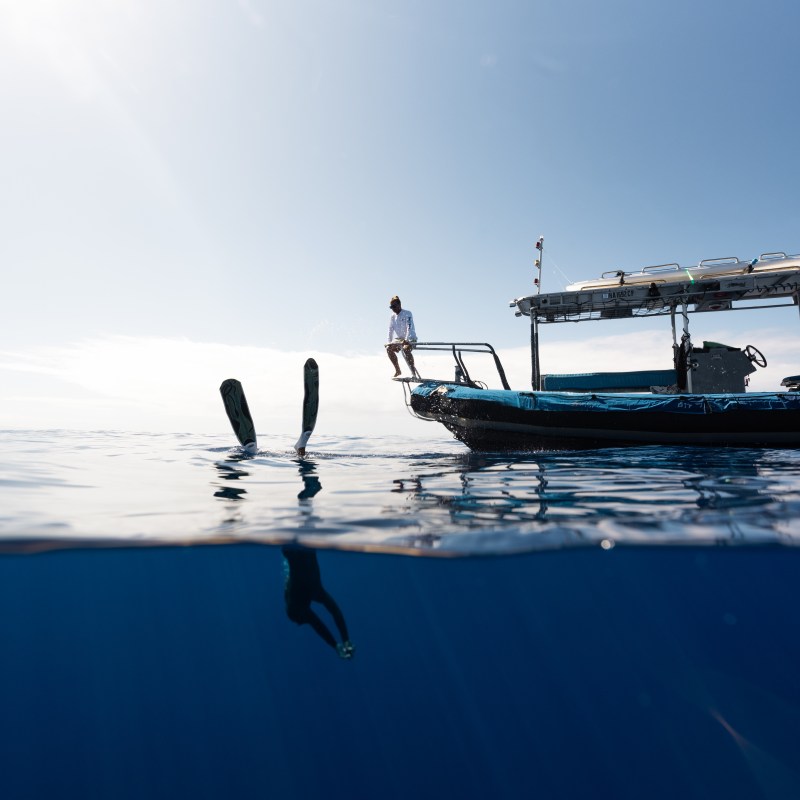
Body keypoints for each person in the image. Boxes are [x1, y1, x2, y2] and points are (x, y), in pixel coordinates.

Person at [281, 546, 355, 659]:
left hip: (300, 553)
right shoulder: (314, 592)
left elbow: (319, 623)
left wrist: (341, 643)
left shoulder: (300, 602)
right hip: (302, 552)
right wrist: (343, 642)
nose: (303, 623)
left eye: (301, 621)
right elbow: (329, 615)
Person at [385, 295, 419, 378]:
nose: (393, 308)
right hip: (400, 339)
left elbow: (409, 327)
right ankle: (398, 370)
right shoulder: (392, 316)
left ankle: (413, 373)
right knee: (388, 349)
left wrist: (407, 340)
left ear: (399, 305)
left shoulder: (407, 313)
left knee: (405, 349)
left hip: (411, 337)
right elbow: (390, 330)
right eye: (391, 307)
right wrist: (389, 342)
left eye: (394, 306)